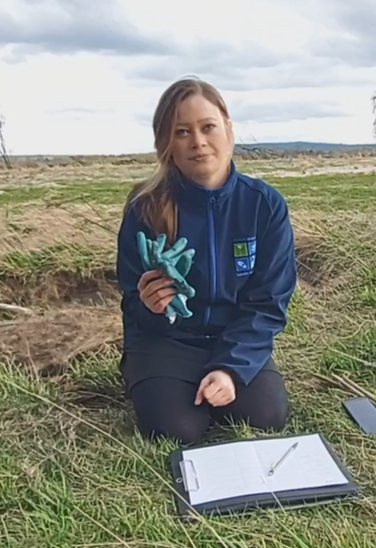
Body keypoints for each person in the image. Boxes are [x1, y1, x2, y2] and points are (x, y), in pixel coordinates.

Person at [115, 77, 297, 446]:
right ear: (166, 142)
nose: (197, 142)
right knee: (176, 429)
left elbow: (268, 303)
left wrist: (230, 369)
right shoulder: (144, 208)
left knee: (267, 417)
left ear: (227, 128)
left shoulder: (264, 205)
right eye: (182, 132)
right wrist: (151, 307)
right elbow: (132, 303)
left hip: (234, 339)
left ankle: (220, 377)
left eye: (207, 127)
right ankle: (147, 377)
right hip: (166, 343)